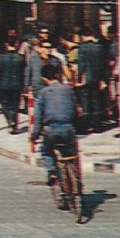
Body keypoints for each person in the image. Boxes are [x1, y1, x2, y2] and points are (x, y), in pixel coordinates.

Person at [29, 62, 79, 194]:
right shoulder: (69, 90)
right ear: (58, 75)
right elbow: (75, 110)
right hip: (68, 128)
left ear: (44, 79)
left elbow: (38, 118)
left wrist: (34, 136)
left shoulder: (43, 93)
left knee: (46, 151)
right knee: (73, 153)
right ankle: (76, 177)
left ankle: (51, 171)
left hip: (51, 129)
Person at [75, 28, 107, 132]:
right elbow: (102, 65)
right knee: (95, 100)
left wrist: (79, 79)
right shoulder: (100, 47)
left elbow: (81, 65)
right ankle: (97, 124)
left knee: (85, 101)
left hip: (86, 78)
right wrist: (102, 79)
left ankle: (85, 124)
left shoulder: (82, 48)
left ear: (82, 37)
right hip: (96, 78)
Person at [0, 39, 27, 133]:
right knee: (15, 105)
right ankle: (13, 123)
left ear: (6, 45)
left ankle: (10, 119)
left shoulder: (2, 58)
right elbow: (23, 72)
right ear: (16, 44)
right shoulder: (21, 58)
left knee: (4, 104)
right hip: (17, 85)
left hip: (3, 85)